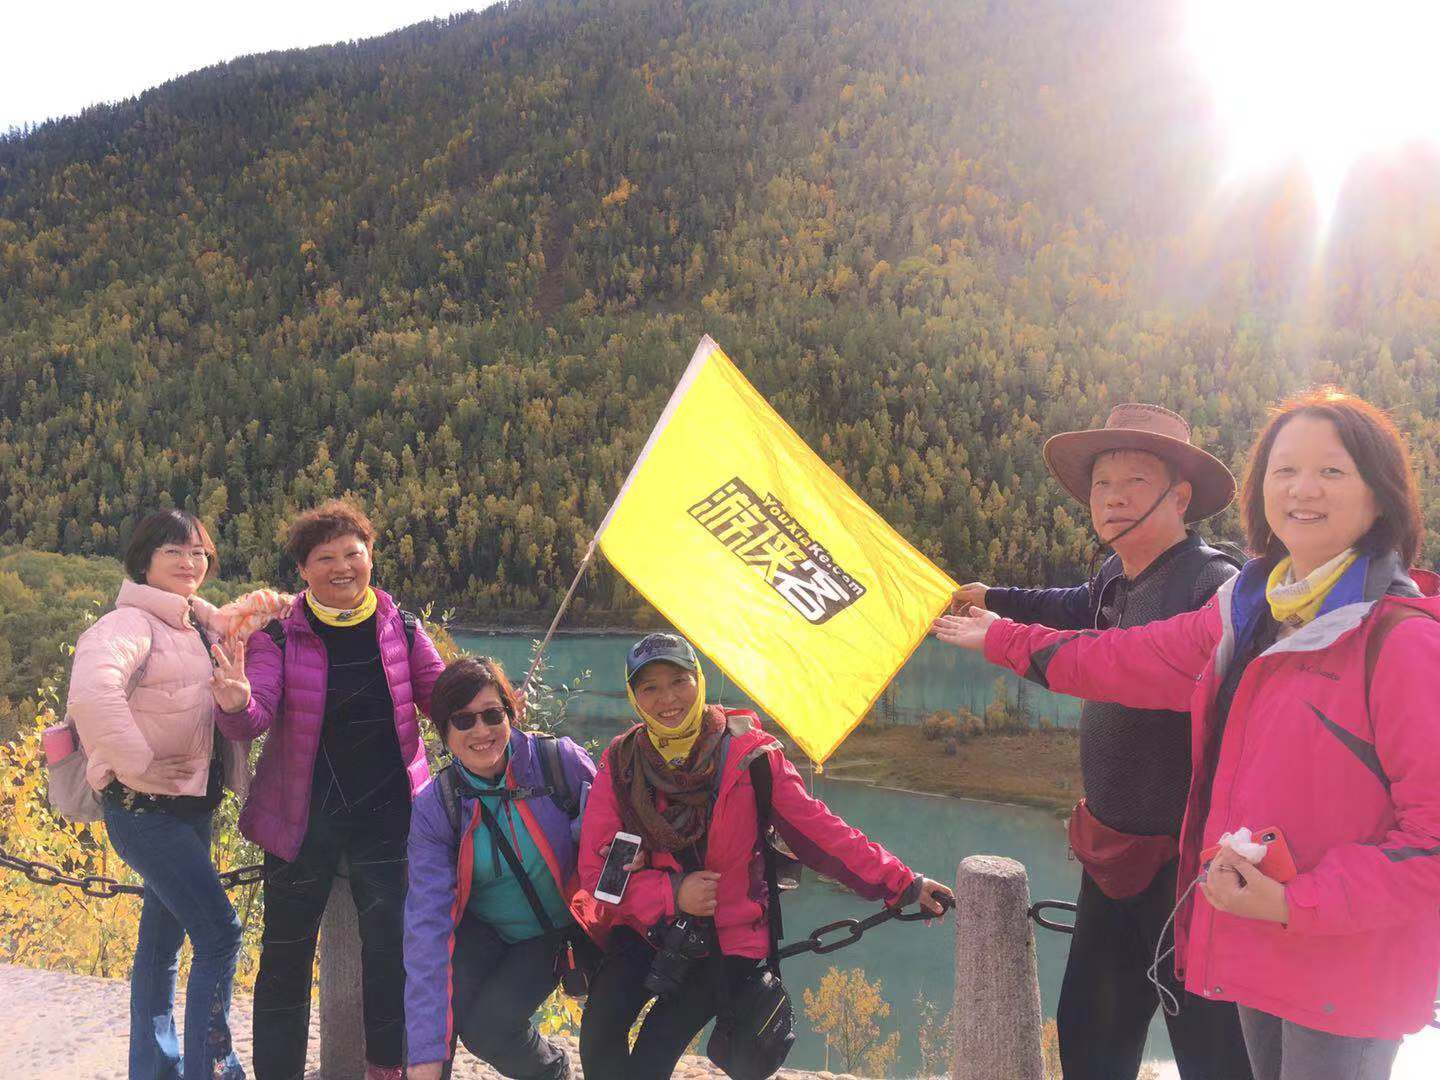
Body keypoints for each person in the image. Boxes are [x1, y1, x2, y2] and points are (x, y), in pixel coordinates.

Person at [934, 388, 1440, 1080]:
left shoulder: (1403, 643)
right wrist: (1001, 634)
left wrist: (1293, 902)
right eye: (1285, 470)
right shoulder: (1250, 610)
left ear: (1380, 494)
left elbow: (1431, 839)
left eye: (1332, 470)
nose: (1303, 489)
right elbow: (1126, 658)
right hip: (1251, 924)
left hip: (1340, 965)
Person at [952, 403, 1252, 1080]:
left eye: (1135, 481)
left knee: (1216, 1056)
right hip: (1111, 859)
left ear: (1180, 497)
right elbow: (1071, 605)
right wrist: (995, 597)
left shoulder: (1212, 585)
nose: (1112, 497)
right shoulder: (1117, 576)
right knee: (1089, 1040)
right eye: (1101, 484)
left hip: (1190, 877)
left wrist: (1002, 636)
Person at [576, 632, 954, 1080]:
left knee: (652, 1053)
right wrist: (672, 892)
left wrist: (903, 881)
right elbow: (598, 870)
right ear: (634, 696)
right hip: (647, 926)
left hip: (724, 938)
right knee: (597, 1037)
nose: (667, 699)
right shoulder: (622, 762)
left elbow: (821, 832)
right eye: (650, 687)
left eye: (678, 681)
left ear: (699, 680)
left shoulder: (751, 757)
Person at [210, 500, 444, 1080]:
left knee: (390, 951)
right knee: (285, 957)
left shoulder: (402, 627)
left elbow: (445, 698)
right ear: (303, 570)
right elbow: (255, 715)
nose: (342, 567)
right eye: (325, 558)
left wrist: (495, 705)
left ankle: (386, 1070)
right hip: (301, 818)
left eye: (352, 553)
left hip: (390, 816)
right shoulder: (280, 637)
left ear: (370, 557)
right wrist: (236, 702)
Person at [67, 510, 248, 1079]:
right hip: (145, 811)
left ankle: (154, 1069)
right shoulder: (128, 624)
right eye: (174, 551)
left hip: (190, 807)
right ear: (144, 561)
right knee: (220, 935)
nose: (190, 562)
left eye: (199, 552)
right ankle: (210, 1068)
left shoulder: (196, 623)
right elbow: (91, 694)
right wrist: (139, 760)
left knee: (162, 944)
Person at [404, 656, 598, 1080]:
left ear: (511, 714)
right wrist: (423, 1057)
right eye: (463, 720)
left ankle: (553, 1071)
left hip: (562, 931)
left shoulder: (558, 763)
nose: (481, 731)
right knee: (441, 1014)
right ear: (443, 730)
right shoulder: (438, 806)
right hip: (490, 931)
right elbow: (426, 925)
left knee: (489, 1029)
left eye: (493, 715)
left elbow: (613, 829)